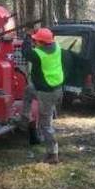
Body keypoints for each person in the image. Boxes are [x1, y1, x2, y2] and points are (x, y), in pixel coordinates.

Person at [20, 28, 65, 164]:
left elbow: (25, 52)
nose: (35, 42)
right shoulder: (56, 47)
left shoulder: (39, 54)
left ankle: (53, 154)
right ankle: (25, 118)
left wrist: (27, 37)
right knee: (28, 89)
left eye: (36, 40)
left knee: (46, 125)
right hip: (54, 88)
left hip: (47, 93)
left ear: (41, 42)